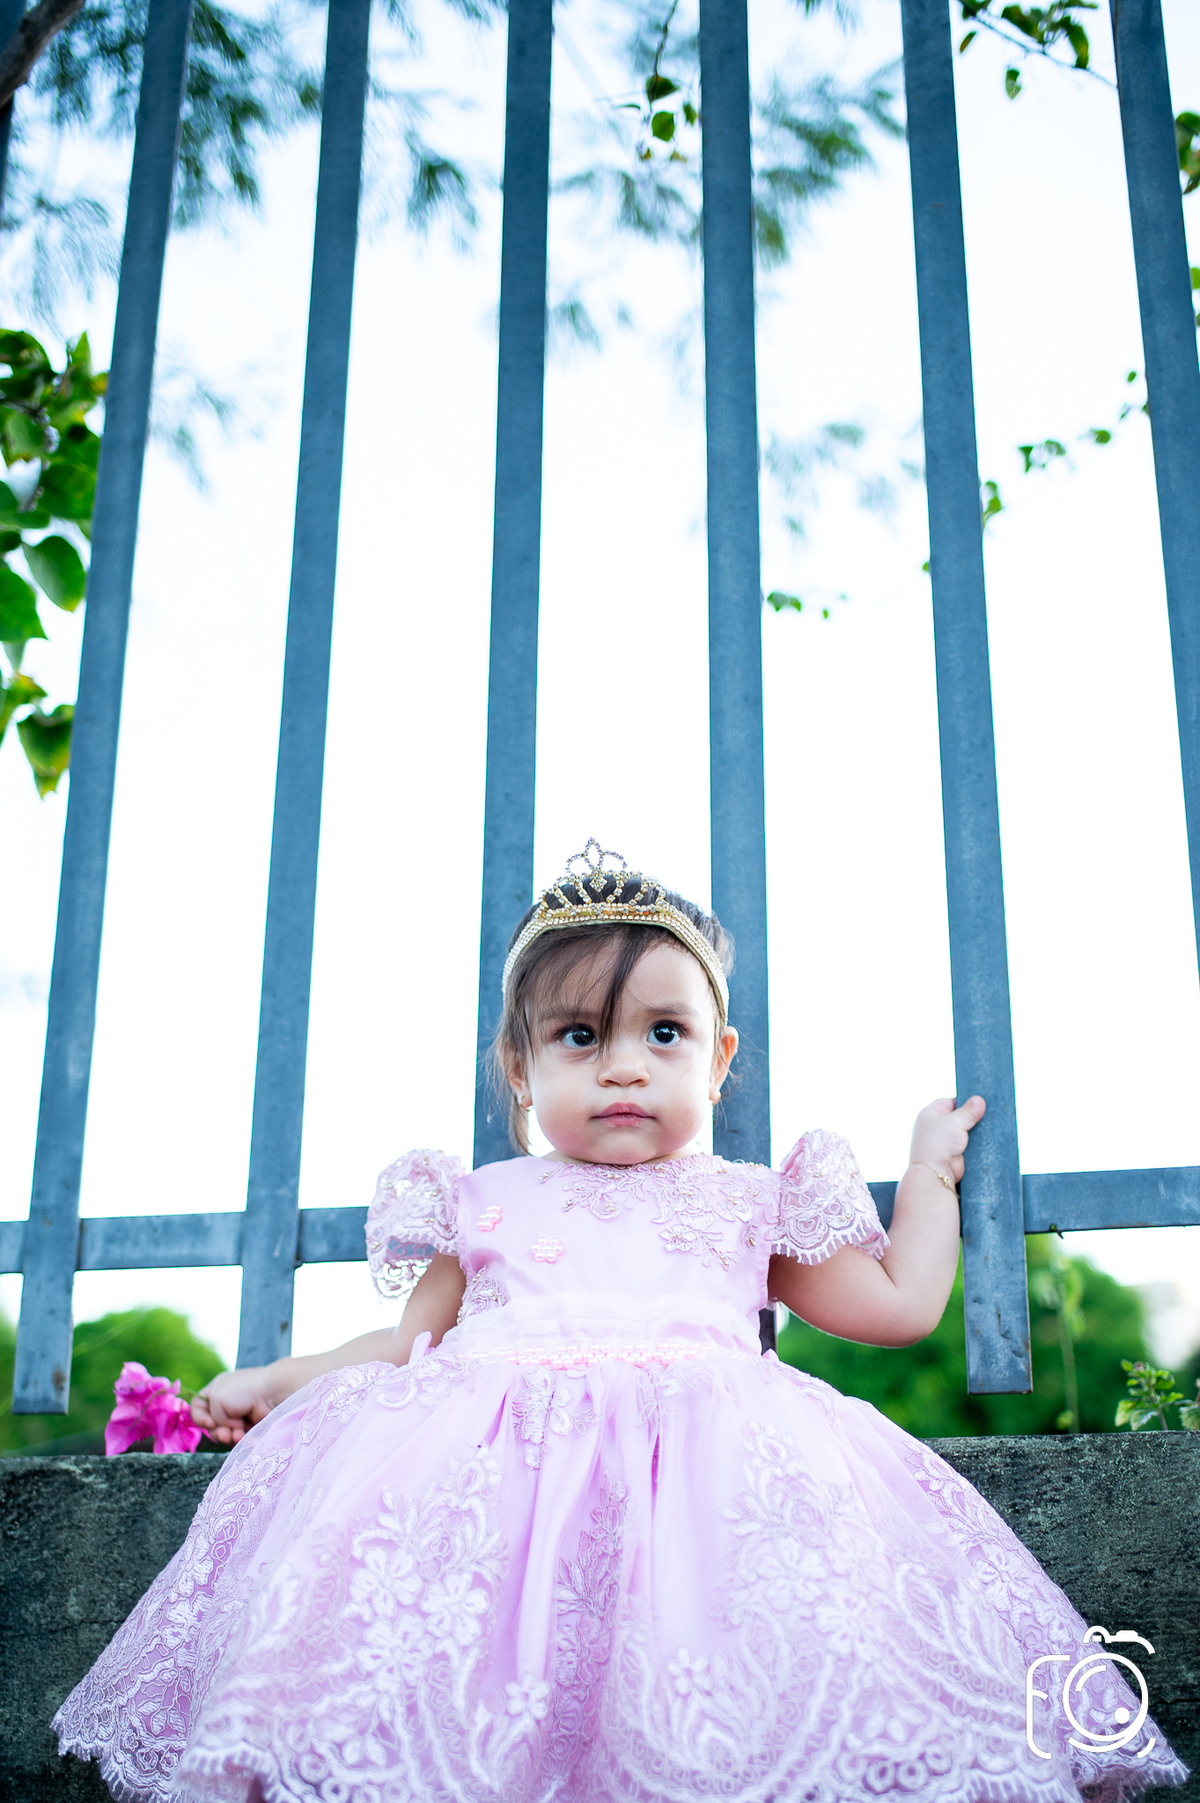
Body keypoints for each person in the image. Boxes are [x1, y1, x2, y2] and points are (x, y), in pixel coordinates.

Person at [55, 842, 1185, 1803]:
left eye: (663, 1035)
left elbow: (896, 1307)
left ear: (719, 1057)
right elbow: (406, 1350)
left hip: (707, 1513)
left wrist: (927, 1178)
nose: (625, 1070)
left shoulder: (748, 1202)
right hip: (493, 1523)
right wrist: (275, 1375)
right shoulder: (485, 1200)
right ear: (521, 1065)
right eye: (581, 1039)